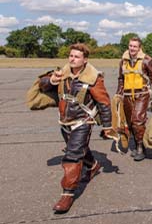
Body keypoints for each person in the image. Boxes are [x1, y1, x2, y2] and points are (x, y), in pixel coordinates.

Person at [39, 43, 113, 213]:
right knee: (80, 149)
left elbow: (104, 102)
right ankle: (93, 165)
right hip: (64, 122)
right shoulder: (62, 73)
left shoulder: (94, 78)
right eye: (71, 56)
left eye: (76, 57)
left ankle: (67, 194)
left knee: (72, 155)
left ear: (85, 60)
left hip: (82, 122)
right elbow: (41, 83)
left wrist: (108, 126)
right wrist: (51, 80)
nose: (72, 59)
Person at [116, 37, 152, 161]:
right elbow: (121, 79)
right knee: (130, 123)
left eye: (135, 46)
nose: (132, 48)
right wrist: (118, 94)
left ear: (139, 48)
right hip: (126, 95)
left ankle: (141, 148)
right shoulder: (123, 61)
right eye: (130, 46)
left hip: (142, 93)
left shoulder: (147, 60)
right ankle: (137, 145)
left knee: (137, 121)